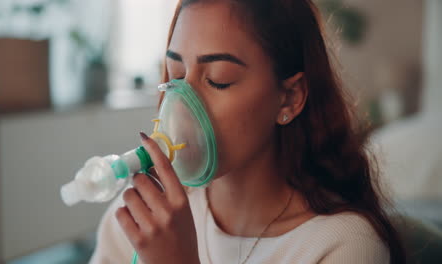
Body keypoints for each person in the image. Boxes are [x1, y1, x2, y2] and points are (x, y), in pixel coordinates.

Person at [89, 0, 406, 263]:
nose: (181, 105)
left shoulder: (342, 245)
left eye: (218, 79)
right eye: (175, 74)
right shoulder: (142, 220)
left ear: (290, 98)